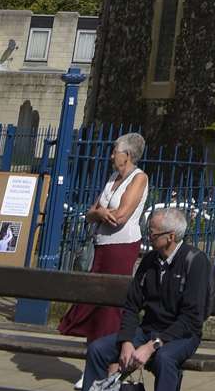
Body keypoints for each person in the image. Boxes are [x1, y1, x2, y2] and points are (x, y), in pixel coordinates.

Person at [80, 208, 215, 391]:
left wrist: (152, 346)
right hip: (147, 330)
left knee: (164, 359)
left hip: (181, 335)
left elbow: (191, 319)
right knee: (98, 349)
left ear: (170, 237)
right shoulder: (150, 261)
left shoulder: (195, 262)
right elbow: (132, 305)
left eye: (152, 233)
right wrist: (126, 341)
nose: (148, 236)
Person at [59, 134, 148, 342]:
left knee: (110, 304)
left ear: (127, 155)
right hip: (101, 245)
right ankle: (93, 359)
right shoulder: (112, 179)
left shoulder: (139, 178)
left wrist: (103, 213)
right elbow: (91, 213)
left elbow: (121, 216)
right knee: (95, 299)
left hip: (121, 247)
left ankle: (109, 361)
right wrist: (100, 214)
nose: (111, 156)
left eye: (114, 151)